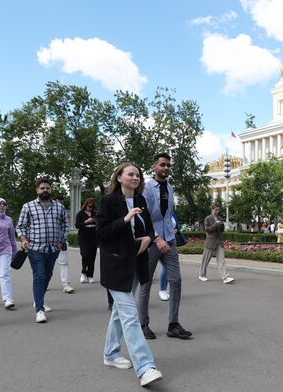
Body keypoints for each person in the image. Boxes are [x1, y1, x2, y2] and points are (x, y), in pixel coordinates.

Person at [96, 162, 163, 387]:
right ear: (119, 177)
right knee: (129, 314)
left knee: (119, 313)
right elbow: (102, 233)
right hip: (115, 263)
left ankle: (111, 353)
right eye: (130, 174)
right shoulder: (108, 201)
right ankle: (145, 367)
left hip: (136, 261)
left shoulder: (141, 200)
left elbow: (148, 228)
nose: (135, 178)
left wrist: (148, 238)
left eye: (138, 175)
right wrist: (125, 219)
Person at [138, 152, 192, 340]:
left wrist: (172, 233)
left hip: (169, 240)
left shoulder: (170, 187)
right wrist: (156, 238)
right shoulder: (146, 188)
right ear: (154, 167)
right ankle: (143, 324)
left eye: (168, 165)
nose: (166, 168)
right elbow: (143, 216)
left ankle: (173, 324)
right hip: (152, 242)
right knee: (145, 284)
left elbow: (168, 215)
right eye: (162, 164)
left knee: (176, 281)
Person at [16, 177, 69, 323]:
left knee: (48, 274)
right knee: (39, 276)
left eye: (47, 188)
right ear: (37, 190)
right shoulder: (28, 206)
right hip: (35, 248)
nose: (45, 190)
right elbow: (20, 226)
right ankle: (39, 309)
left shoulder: (59, 207)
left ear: (51, 189)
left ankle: (39, 298)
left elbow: (65, 225)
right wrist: (24, 240)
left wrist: (62, 240)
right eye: (42, 188)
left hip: (53, 248)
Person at [199, 202, 235, 284]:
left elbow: (222, 230)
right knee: (206, 260)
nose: (217, 211)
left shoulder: (220, 218)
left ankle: (225, 277)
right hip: (210, 241)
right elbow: (207, 229)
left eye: (218, 210)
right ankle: (202, 275)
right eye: (216, 210)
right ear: (212, 209)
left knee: (221, 260)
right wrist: (215, 225)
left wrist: (222, 225)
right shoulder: (207, 218)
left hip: (219, 241)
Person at [54, 195, 75, 293]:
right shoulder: (48, 209)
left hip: (61, 241)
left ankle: (65, 284)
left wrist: (63, 240)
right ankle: (44, 283)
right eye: (59, 201)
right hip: (47, 242)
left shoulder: (62, 211)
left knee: (63, 263)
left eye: (62, 201)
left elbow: (66, 226)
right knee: (46, 264)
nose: (60, 203)